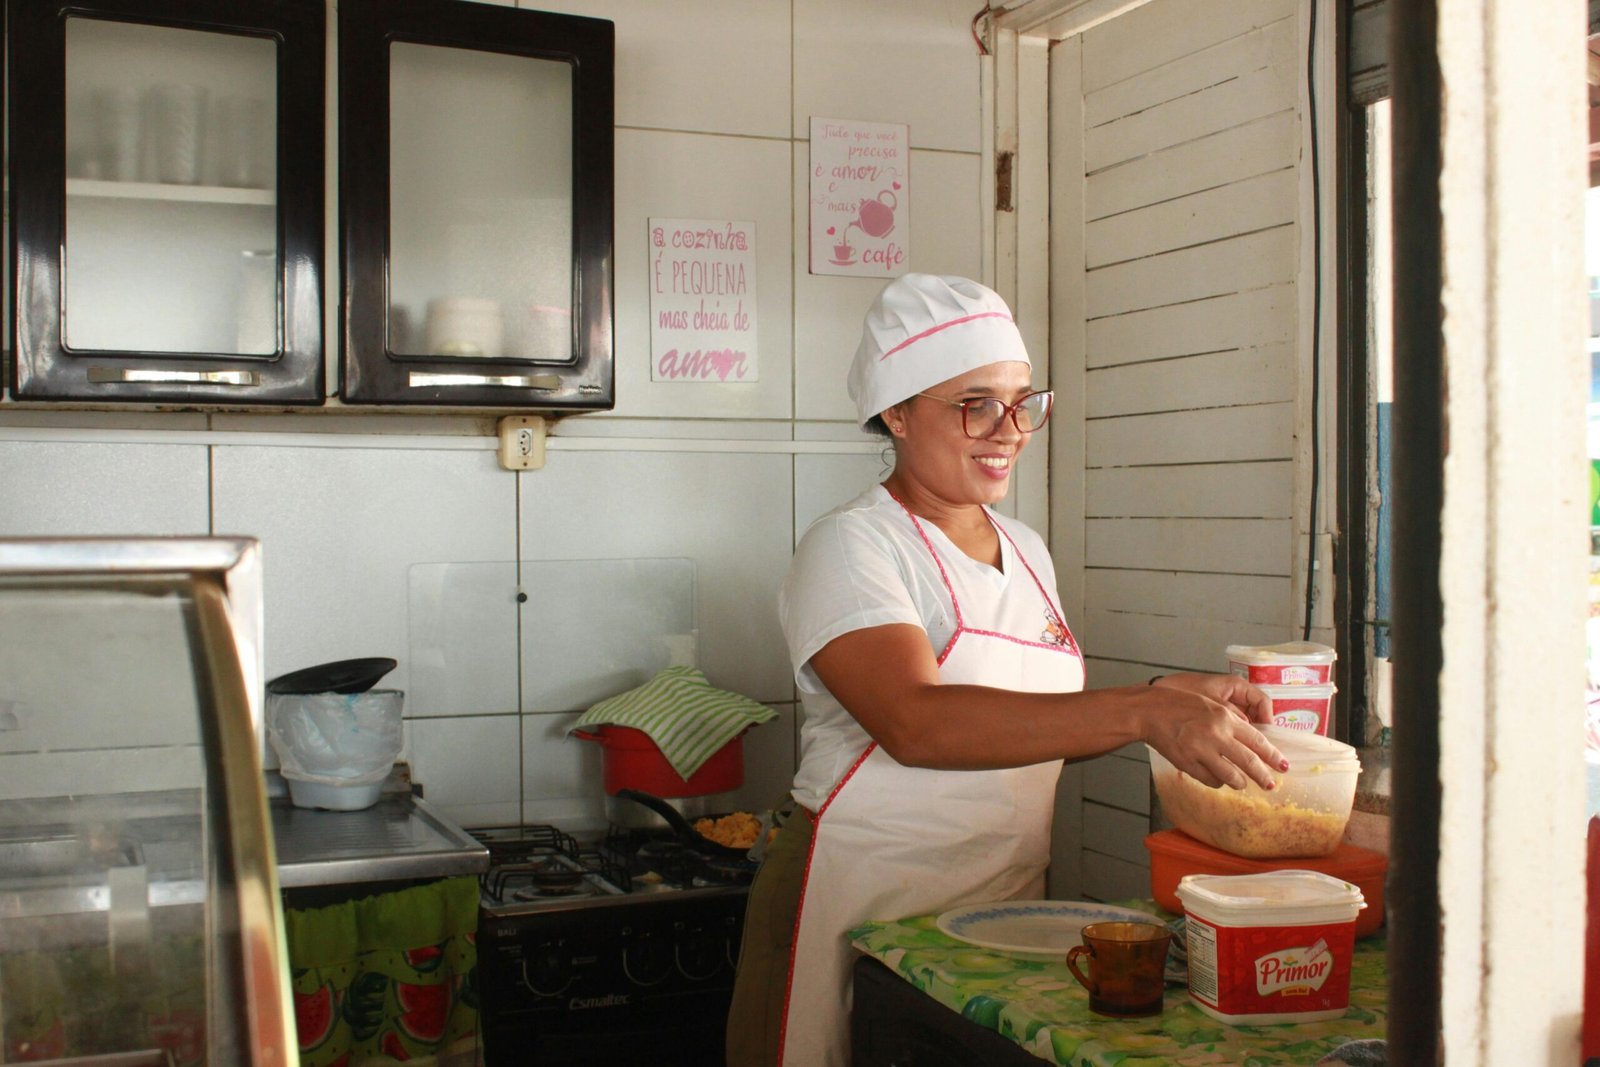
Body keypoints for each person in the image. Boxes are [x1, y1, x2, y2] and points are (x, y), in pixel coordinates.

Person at [724, 274, 1286, 1067]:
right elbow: (917, 722)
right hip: (854, 899)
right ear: (896, 411)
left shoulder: (1025, 550)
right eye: (976, 402)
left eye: (1023, 401)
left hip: (997, 914)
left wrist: (1162, 698)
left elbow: (1032, 728)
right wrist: (1138, 712)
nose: (1010, 429)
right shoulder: (852, 547)